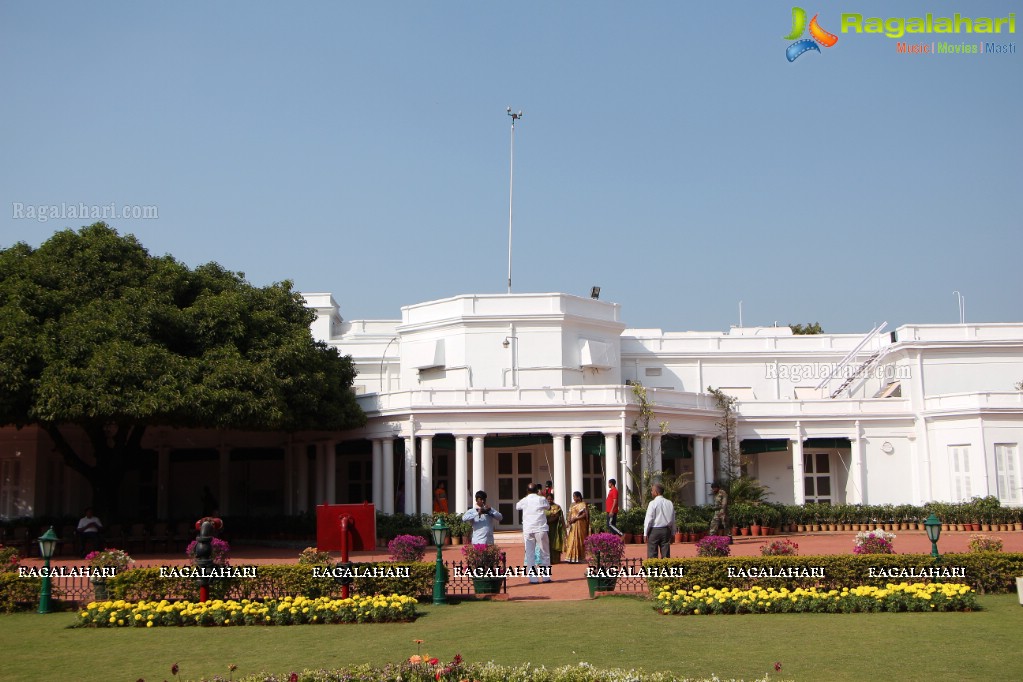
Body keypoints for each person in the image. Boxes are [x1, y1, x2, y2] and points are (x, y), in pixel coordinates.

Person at [515, 482, 551, 583]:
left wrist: (527, 498)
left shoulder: (524, 500)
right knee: (545, 553)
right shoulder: (541, 499)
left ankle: (533, 578)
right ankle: (546, 577)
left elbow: (517, 506)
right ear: (537, 490)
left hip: (528, 529)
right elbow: (548, 507)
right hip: (540, 529)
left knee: (530, 554)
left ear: (527, 491)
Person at [644, 483, 675, 559]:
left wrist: (645, 533)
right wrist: (673, 533)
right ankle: (665, 570)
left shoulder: (652, 503)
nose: (651, 492)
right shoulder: (669, 503)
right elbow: (673, 519)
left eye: (652, 491)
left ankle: (654, 570)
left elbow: (648, 519)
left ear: (656, 492)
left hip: (654, 531)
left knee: (652, 555)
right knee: (666, 556)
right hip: (666, 530)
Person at [564, 491, 590, 563]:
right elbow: (570, 514)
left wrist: (576, 518)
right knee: (571, 540)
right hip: (573, 525)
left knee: (579, 540)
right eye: (573, 497)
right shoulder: (572, 505)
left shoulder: (583, 504)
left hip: (580, 524)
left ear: (578, 497)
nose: (574, 498)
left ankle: (579, 557)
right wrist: (569, 521)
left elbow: (585, 515)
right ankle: (570, 557)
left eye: (574, 497)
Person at [544, 491, 566, 564]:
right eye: (548, 499)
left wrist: (564, 528)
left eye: (551, 499)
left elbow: (558, 517)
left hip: (555, 528)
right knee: (547, 543)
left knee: (555, 542)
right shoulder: (544, 507)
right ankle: (548, 560)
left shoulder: (556, 507)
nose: (549, 500)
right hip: (546, 528)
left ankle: (555, 559)